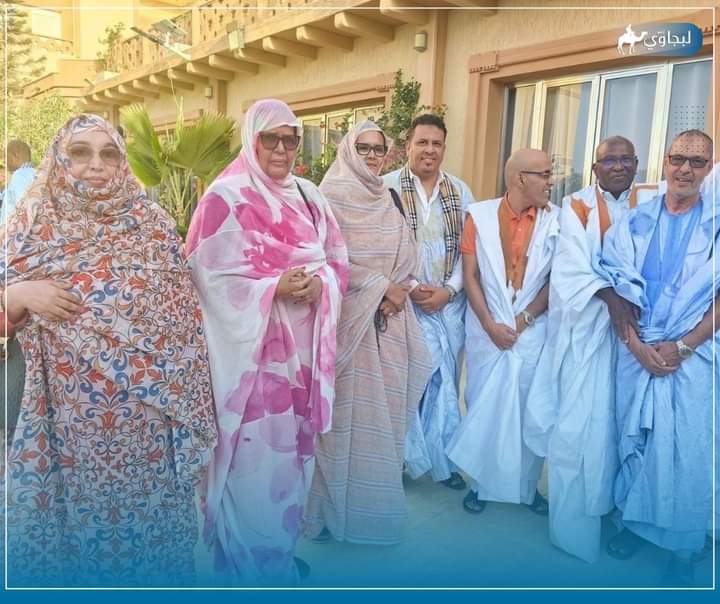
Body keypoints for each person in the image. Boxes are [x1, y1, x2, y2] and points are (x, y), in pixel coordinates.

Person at [2, 114, 217, 587]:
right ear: (59, 158)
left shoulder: (152, 225)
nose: (96, 164)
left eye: (109, 153)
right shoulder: (32, 224)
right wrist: (16, 295)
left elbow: (183, 319)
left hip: (149, 423)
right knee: (83, 539)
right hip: (66, 427)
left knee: (151, 538)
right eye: (80, 152)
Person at [186, 99, 349, 585]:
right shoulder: (225, 197)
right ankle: (250, 567)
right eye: (270, 139)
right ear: (251, 140)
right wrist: (271, 287)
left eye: (290, 139)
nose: (281, 149)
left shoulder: (310, 196)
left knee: (292, 465)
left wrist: (322, 286)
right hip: (252, 368)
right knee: (255, 465)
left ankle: (276, 556)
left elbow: (337, 262)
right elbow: (203, 277)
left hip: (303, 361)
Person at [522, 136, 661, 562]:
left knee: (631, 431)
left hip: (641, 338)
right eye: (609, 160)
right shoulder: (576, 206)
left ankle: (625, 519)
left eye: (626, 159)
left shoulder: (653, 201)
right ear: (595, 167)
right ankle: (575, 529)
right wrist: (612, 298)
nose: (618, 166)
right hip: (590, 339)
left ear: (636, 164)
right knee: (582, 429)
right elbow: (569, 269)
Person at [304, 121, 432, 546]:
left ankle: (370, 515)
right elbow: (324, 261)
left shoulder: (387, 196)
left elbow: (408, 255)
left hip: (390, 327)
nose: (373, 156)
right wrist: (380, 287)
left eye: (380, 149)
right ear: (348, 149)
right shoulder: (329, 196)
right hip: (348, 329)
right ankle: (325, 514)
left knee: (383, 425)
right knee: (341, 426)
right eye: (365, 148)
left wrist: (398, 290)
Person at [600, 130, 716, 586]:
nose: (685, 169)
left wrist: (684, 346)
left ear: (709, 169)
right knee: (635, 442)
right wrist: (638, 348)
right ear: (665, 161)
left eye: (697, 162)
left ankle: (684, 546)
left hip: (694, 354)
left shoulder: (717, 225)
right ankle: (633, 524)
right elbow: (613, 287)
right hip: (637, 352)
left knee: (688, 451)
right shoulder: (634, 221)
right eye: (678, 158)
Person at [447, 149, 559, 515]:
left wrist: (524, 319)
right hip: (487, 331)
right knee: (485, 408)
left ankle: (528, 490)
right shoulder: (478, 216)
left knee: (529, 409)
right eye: (544, 174)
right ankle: (481, 485)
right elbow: (470, 276)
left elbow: (556, 281)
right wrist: (490, 325)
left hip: (532, 330)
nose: (551, 181)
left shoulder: (557, 220)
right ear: (520, 178)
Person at [383, 114, 474, 490]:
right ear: (408, 146)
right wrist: (414, 285)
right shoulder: (386, 188)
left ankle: (442, 461)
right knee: (409, 383)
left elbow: (471, 250)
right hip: (403, 303)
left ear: (444, 149)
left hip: (449, 305)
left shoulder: (460, 192)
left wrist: (449, 290)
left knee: (443, 384)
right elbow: (380, 247)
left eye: (436, 144)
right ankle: (401, 460)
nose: (429, 150)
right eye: (422, 142)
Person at [1, 139, 36, 221]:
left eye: (6, 158)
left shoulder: (20, 175)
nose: (5, 162)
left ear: (14, 157)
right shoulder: (34, 173)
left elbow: (19, 205)